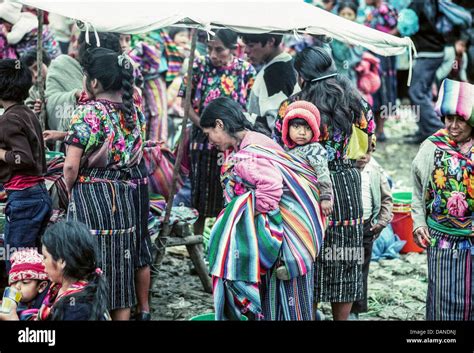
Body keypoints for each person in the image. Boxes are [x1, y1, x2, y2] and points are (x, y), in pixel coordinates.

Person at [274, 46, 375, 320]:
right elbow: (370, 139)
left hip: (304, 183)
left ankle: (310, 312)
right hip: (345, 181)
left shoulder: (293, 105)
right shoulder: (354, 100)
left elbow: (278, 141)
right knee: (345, 253)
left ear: (302, 75)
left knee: (309, 247)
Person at [202, 97, 325, 320]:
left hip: (284, 236)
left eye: (209, 133)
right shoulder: (256, 139)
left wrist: (244, 214)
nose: (210, 141)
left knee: (285, 300)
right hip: (294, 233)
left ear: (220, 125)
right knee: (291, 300)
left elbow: (271, 190)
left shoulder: (248, 153)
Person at [63, 48, 146, 321]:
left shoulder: (87, 112)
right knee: (120, 269)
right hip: (123, 197)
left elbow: (71, 165)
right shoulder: (133, 112)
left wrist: (67, 188)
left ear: (94, 83)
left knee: (89, 264)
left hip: (90, 196)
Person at [178, 29, 256, 235]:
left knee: (230, 191)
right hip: (201, 142)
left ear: (233, 49)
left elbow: (250, 107)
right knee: (201, 195)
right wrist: (205, 128)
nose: (213, 55)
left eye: (219, 49)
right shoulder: (198, 66)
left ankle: (226, 242)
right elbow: (185, 103)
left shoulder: (246, 71)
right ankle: (197, 247)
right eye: (209, 48)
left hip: (232, 145)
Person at [412, 79, 474, 321]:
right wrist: (419, 223)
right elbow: (418, 190)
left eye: (461, 120)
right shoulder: (432, 147)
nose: (454, 126)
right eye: (449, 119)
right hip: (441, 242)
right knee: (441, 302)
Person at [0, 59, 52, 273]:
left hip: (24, 198)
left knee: (18, 262)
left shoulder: (8, 120)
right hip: (37, 194)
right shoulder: (27, 113)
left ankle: (18, 306)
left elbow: (24, 158)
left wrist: (1, 153)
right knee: (32, 258)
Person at [0, 221, 110, 320]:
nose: (42, 263)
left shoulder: (77, 309)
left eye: (45, 257)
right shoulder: (58, 287)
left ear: (62, 262)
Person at [43, 31, 121, 137]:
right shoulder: (130, 103)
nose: (75, 45)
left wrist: (62, 135)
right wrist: (75, 94)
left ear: (94, 83)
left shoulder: (89, 112)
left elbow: (85, 140)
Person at [350, 137, 392, 319]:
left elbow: (386, 199)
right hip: (346, 226)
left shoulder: (374, 170)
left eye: (368, 152)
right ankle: (341, 304)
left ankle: (355, 309)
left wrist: (382, 222)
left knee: (361, 269)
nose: (363, 156)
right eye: (359, 151)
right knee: (344, 267)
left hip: (366, 227)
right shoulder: (344, 170)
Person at [281, 100, 333, 216]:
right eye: (296, 126)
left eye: (308, 128)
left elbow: (323, 173)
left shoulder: (314, 149)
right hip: (291, 200)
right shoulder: (285, 150)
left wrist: (325, 198)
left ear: (314, 131)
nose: (302, 132)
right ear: (287, 128)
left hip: (311, 199)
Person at [405, 0, 446, 144]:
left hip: (427, 52)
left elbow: (405, 25)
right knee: (425, 92)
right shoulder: (432, 2)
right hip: (436, 51)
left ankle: (436, 131)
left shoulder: (418, 2)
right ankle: (424, 131)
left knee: (417, 93)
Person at [241, 33, 298, 134]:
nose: (245, 51)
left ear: (270, 42)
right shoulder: (287, 61)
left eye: (251, 45)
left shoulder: (273, 74)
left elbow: (275, 122)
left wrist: (246, 119)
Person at [364, 0, 398, 142]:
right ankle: (376, 128)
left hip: (383, 57)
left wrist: (384, 40)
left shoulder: (385, 9)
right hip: (373, 55)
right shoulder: (373, 11)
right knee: (375, 87)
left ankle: (380, 129)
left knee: (382, 87)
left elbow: (398, 29)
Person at [1, 249, 50, 321]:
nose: (17, 286)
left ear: (41, 286)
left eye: (25, 282)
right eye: (14, 281)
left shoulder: (45, 309)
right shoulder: (8, 304)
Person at [21, 49, 51, 114]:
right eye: (30, 74)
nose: (35, 75)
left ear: (46, 63)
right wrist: (36, 110)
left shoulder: (58, 76)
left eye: (37, 67)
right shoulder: (32, 92)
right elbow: (29, 112)